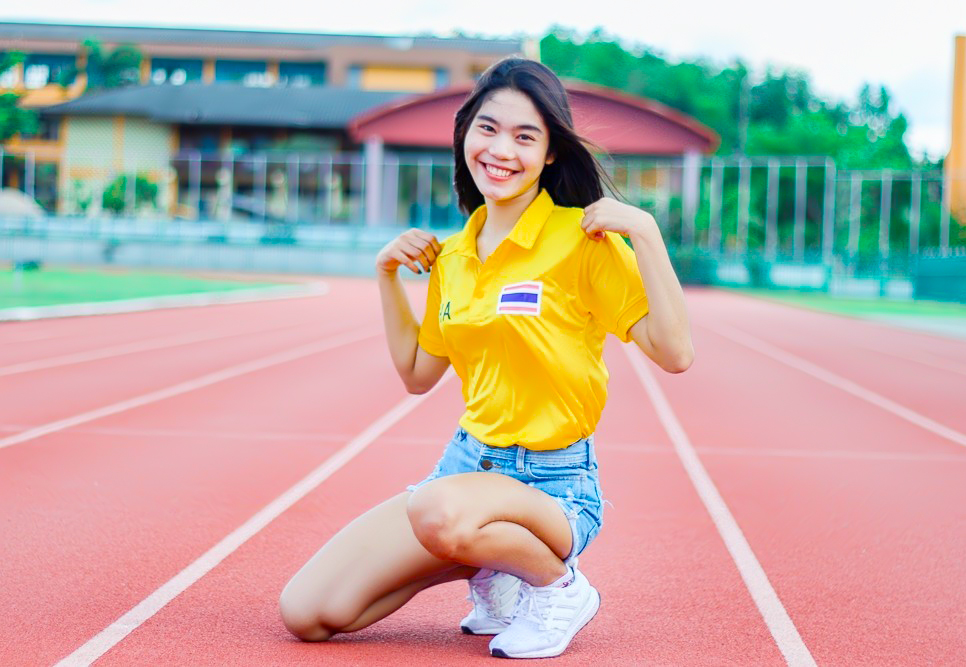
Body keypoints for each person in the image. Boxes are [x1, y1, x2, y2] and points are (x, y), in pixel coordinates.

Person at [279, 57, 693, 659]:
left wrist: (647, 234)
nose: (501, 150)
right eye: (488, 128)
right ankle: (494, 566)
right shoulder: (453, 256)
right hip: (466, 467)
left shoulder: (584, 240)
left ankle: (556, 586)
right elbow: (417, 375)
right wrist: (387, 274)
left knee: (437, 509)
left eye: (525, 137)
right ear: (465, 134)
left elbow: (675, 354)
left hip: (553, 486)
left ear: (550, 153)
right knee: (309, 612)